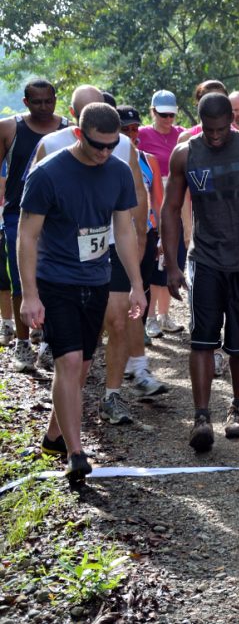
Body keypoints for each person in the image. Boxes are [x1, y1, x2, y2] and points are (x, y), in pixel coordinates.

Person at [18, 102, 147, 481]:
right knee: (69, 363)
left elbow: (123, 230)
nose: (105, 152)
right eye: (97, 145)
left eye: (112, 145)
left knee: (83, 365)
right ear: (79, 134)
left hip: (97, 279)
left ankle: (54, 436)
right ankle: (76, 454)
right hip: (55, 280)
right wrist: (29, 294)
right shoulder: (47, 174)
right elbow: (27, 236)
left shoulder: (119, 172)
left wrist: (137, 285)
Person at [162, 92, 239, 453]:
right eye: (210, 130)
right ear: (200, 122)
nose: (216, 136)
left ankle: (238, 409)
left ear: (232, 120)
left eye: (222, 129)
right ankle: (201, 417)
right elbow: (170, 210)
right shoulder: (185, 154)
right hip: (207, 260)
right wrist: (172, 264)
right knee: (201, 339)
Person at [0, 79, 69, 371]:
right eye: (37, 102)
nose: (44, 107)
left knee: (54, 279)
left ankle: (49, 342)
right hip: (19, 213)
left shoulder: (68, 128)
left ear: (56, 99)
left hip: (59, 217)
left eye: (48, 101)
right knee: (20, 279)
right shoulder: (10, 128)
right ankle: (23, 342)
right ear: (26, 102)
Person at [117, 105, 169, 397]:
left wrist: (161, 235)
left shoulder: (148, 160)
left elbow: (157, 201)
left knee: (142, 292)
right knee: (117, 297)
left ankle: (135, 358)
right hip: (115, 238)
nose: (132, 134)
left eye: (135, 128)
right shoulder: (107, 158)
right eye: (126, 129)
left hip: (145, 234)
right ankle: (125, 354)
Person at [138, 90, 187, 338]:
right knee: (155, 260)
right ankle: (151, 317)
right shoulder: (142, 135)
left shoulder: (182, 135)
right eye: (162, 114)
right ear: (153, 112)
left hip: (179, 200)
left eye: (171, 114)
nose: (168, 119)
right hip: (152, 201)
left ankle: (165, 315)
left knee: (174, 258)